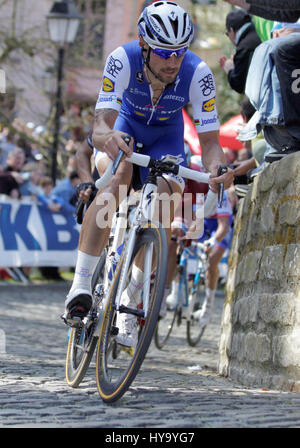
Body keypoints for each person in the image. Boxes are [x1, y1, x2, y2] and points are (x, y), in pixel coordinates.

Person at [63, 1, 233, 348]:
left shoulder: (198, 74)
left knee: (168, 197)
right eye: (163, 53)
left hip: (165, 140)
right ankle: (80, 286)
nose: (173, 61)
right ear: (143, 44)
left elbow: (211, 144)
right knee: (118, 177)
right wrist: (107, 137)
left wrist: (218, 167)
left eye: (179, 53)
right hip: (123, 132)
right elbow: (99, 125)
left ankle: (133, 298)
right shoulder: (122, 58)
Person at [223, 0, 300, 159]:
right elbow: (288, 12)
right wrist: (245, 4)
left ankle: (294, 133)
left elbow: (289, 8)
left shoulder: (247, 44)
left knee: (282, 50)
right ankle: (280, 130)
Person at [166, 155, 233, 328]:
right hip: (199, 222)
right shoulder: (188, 190)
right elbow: (182, 218)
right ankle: (174, 290)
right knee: (177, 242)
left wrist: (212, 241)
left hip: (216, 227)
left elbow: (224, 226)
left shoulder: (221, 194)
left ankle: (208, 307)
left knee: (212, 260)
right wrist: (178, 230)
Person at [219, 8, 261, 94]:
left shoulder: (244, 47)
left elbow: (239, 85)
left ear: (231, 30)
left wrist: (229, 69)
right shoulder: (260, 33)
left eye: (227, 34)